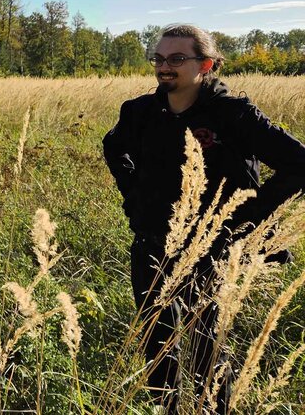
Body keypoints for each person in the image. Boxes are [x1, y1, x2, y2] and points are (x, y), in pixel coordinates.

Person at [103, 23, 305, 414]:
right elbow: (114, 149)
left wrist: (242, 218)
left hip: (215, 248)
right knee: (156, 342)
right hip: (153, 244)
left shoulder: (233, 115)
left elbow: (298, 163)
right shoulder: (140, 112)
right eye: (159, 58)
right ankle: (170, 409)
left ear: (206, 65)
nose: (165, 67)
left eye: (177, 59)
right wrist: (135, 201)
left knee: (206, 347)